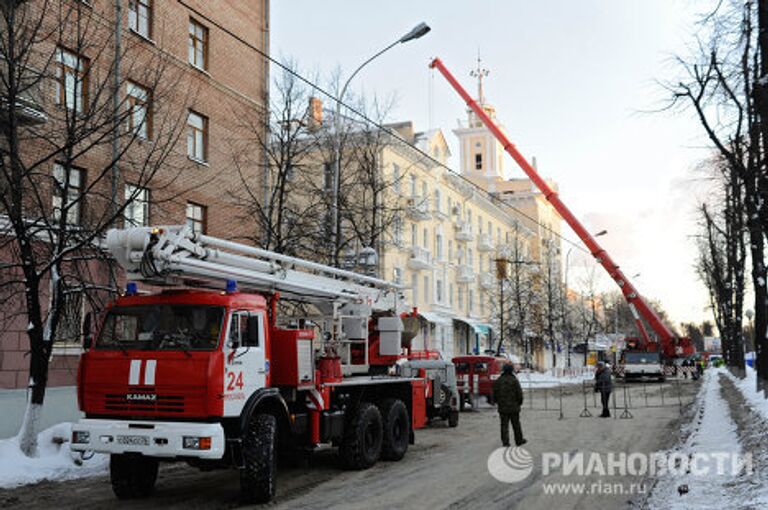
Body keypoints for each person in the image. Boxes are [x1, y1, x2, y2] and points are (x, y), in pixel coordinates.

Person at [492, 363, 526, 447]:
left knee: (504, 425)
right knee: (516, 424)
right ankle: (519, 440)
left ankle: (505, 442)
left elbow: (494, 393)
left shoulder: (499, 380)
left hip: (503, 407)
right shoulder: (514, 380)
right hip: (514, 407)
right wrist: (520, 402)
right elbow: (519, 393)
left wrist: (497, 402)